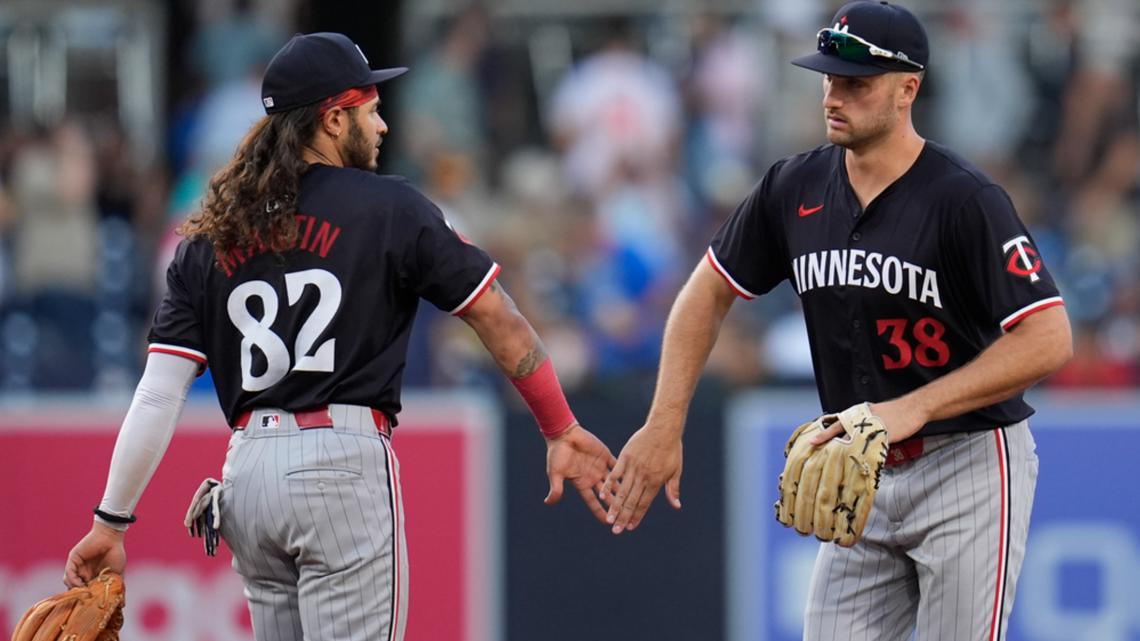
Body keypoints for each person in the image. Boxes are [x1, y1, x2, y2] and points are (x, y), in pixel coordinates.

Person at [61, 32, 615, 641]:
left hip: (246, 475)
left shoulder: (211, 233)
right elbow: (497, 317)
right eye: (370, 109)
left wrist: (110, 523)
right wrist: (559, 426)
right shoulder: (390, 208)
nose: (380, 126)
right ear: (331, 119)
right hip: (339, 463)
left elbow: (159, 394)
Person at [601, 3, 1073, 640]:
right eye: (828, 77)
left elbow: (1048, 337)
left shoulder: (965, 199)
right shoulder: (792, 187)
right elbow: (704, 293)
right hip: (861, 468)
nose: (834, 94)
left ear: (908, 88)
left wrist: (916, 407)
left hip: (967, 460)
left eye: (856, 82)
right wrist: (664, 422)